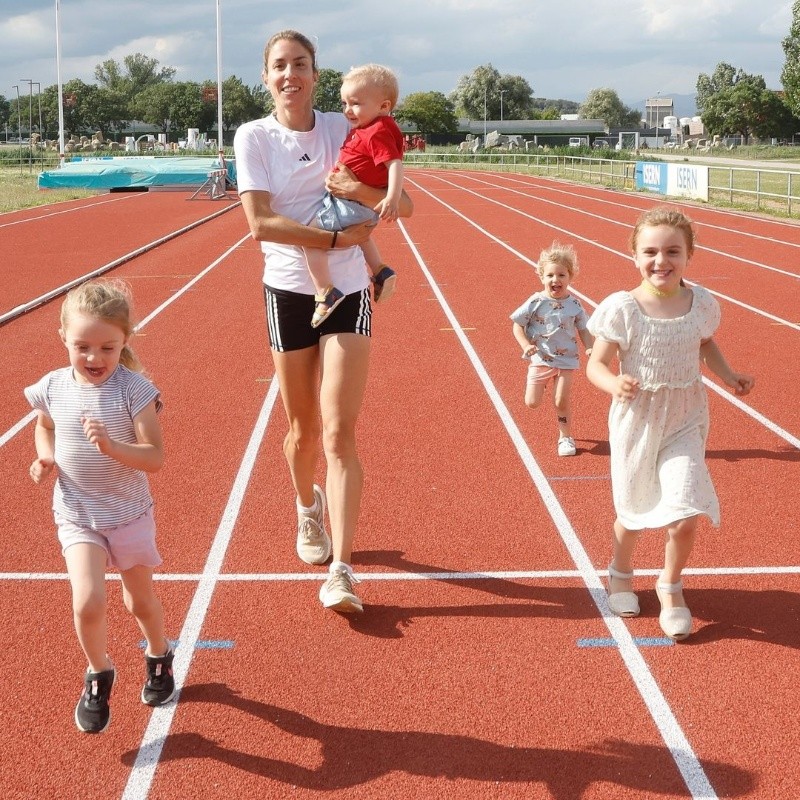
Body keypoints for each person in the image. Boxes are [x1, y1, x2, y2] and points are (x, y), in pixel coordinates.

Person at [233, 30, 413, 613]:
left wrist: (358, 191)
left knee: (338, 432)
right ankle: (308, 509)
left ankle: (342, 569)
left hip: (349, 289)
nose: (291, 74)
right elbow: (260, 224)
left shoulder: (347, 124)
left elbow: (402, 204)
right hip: (287, 289)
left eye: (301, 64)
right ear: (267, 77)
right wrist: (335, 235)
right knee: (302, 430)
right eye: (280, 66)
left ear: (315, 73)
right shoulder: (254, 136)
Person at [586, 206, 754, 640]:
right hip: (638, 420)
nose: (661, 261)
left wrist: (729, 374)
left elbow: (706, 343)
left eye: (672, 252)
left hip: (686, 417)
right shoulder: (622, 308)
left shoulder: (701, 303)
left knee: (685, 508)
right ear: (635, 256)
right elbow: (596, 364)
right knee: (634, 510)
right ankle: (620, 573)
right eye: (651, 252)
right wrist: (612, 383)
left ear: (688, 255)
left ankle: (670, 585)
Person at [24, 279, 174, 733]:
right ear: (63, 340)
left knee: (138, 601)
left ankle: (158, 652)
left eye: (107, 347)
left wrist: (111, 447)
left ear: (125, 340)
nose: (94, 358)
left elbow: (155, 457)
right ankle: (98, 671)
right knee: (87, 600)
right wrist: (45, 454)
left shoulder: (134, 390)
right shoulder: (51, 386)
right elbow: (45, 427)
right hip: (77, 513)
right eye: (82, 346)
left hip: (126, 512)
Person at [304, 63, 404, 328]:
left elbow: (394, 163)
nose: (348, 109)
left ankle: (326, 291)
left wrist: (392, 197)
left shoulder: (377, 131)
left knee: (310, 239)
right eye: (345, 103)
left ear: (383, 106)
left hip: (348, 202)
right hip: (357, 206)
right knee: (362, 235)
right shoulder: (375, 127)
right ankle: (381, 270)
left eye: (356, 103)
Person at [510, 242, 594, 456]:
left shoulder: (575, 305)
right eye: (550, 275)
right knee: (532, 403)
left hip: (567, 360)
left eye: (561, 275)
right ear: (541, 277)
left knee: (561, 400)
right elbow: (517, 325)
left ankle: (565, 437)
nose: (555, 280)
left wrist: (590, 348)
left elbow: (583, 328)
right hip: (541, 359)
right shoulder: (536, 301)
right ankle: (546, 384)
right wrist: (526, 345)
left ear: (570, 277)